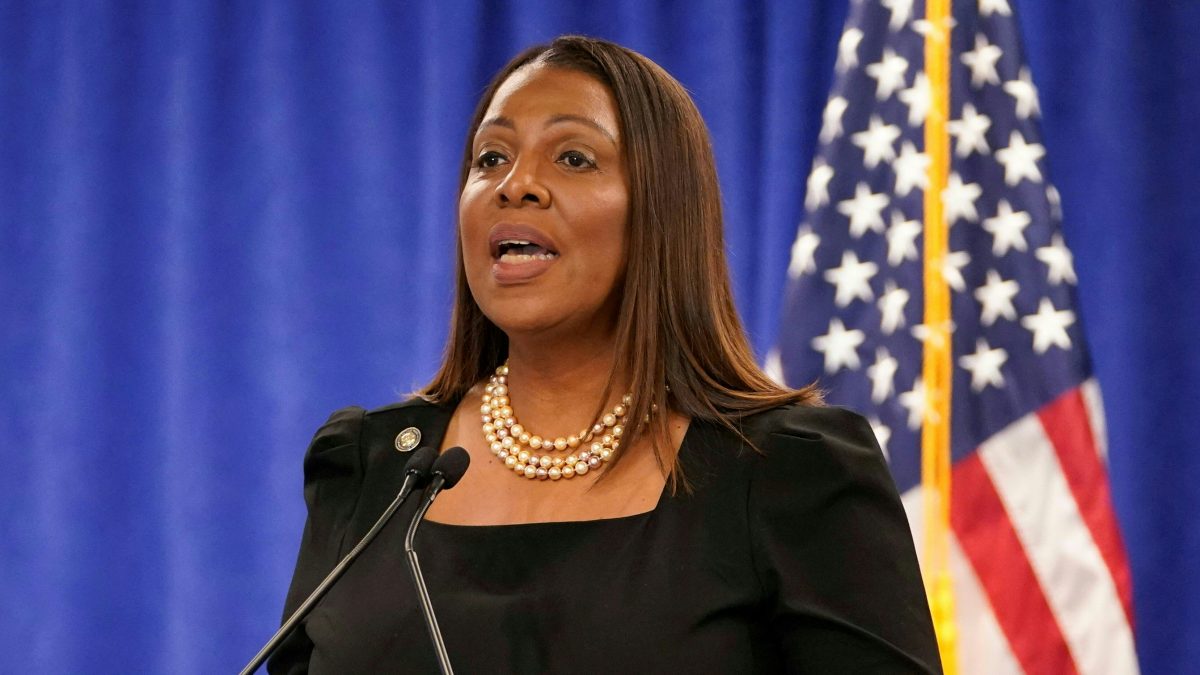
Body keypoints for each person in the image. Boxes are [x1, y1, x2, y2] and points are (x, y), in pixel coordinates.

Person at [270, 35, 941, 674]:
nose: (515, 185)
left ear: (662, 209)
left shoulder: (789, 471)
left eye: (572, 157)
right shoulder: (372, 471)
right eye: (490, 159)